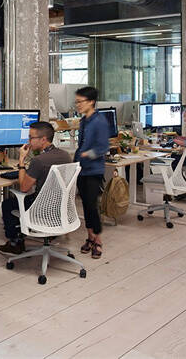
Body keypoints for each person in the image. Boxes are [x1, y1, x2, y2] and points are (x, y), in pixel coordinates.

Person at [0, 121, 72, 255]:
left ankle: (15, 243)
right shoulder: (65, 155)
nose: (29, 141)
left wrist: (21, 160)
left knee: (8, 204)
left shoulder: (39, 161)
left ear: (43, 139)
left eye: (31, 137)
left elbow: (24, 188)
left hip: (42, 209)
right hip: (60, 207)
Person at [74, 86, 110, 260]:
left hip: (93, 170)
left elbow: (103, 147)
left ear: (91, 102)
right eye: (76, 102)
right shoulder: (84, 121)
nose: (78, 105)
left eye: (80, 102)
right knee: (86, 205)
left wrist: (87, 154)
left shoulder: (99, 121)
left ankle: (98, 240)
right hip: (81, 169)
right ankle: (90, 237)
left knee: (92, 205)